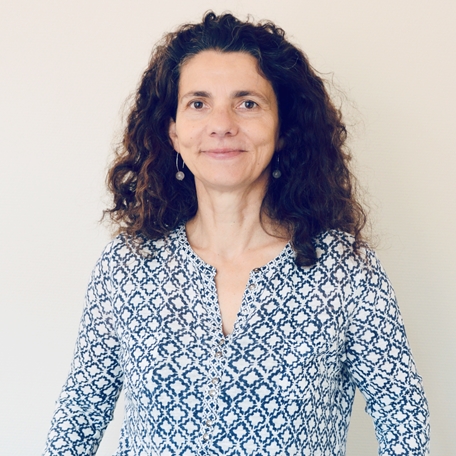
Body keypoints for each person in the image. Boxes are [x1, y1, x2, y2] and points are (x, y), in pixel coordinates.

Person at [43, 11, 430, 456]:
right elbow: (78, 416)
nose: (222, 124)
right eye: (198, 103)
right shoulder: (127, 267)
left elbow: (404, 415)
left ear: (283, 130)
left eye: (247, 103)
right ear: (173, 132)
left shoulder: (345, 271)